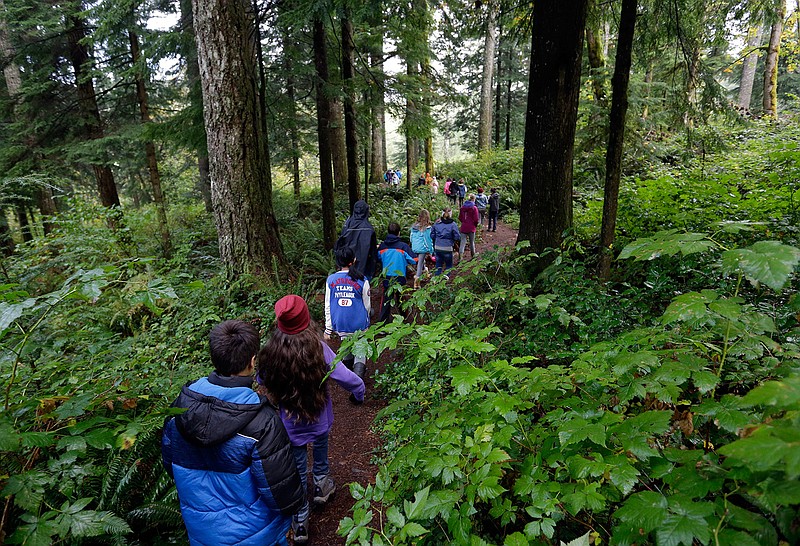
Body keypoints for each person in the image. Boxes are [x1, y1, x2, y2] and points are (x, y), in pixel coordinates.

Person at [162, 320, 304, 546]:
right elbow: (283, 496)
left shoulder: (179, 411)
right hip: (257, 534)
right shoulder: (262, 423)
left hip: (201, 532)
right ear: (252, 362)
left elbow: (171, 466)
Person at [258, 295, 365, 545]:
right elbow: (345, 376)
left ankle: (301, 520)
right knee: (320, 452)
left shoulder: (272, 352)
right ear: (307, 319)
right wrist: (359, 391)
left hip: (290, 425)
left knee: (295, 468)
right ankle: (321, 485)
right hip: (318, 420)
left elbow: (262, 379)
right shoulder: (319, 348)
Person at [324, 246, 371, 379]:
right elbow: (367, 306)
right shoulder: (362, 280)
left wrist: (328, 328)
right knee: (360, 348)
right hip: (358, 323)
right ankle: (358, 377)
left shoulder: (331, 280)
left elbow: (328, 304)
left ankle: (348, 373)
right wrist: (367, 322)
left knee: (346, 342)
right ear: (353, 260)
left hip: (341, 323)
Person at [377, 222, 417, 323]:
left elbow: (377, 257)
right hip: (400, 276)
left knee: (386, 299)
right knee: (401, 298)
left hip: (387, 276)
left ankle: (383, 323)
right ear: (399, 233)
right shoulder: (403, 246)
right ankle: (404, 320)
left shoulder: (382, 246)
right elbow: (414, 259)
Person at [340, 200, 379, 280]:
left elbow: (341, 244)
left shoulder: (347, 225)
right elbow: (373, 250)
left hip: (348, 264)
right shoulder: (368, 228)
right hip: (364, 265)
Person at [431, 208, 460, 276]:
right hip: (448, 247)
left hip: (438, 246)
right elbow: (457, 237)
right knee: (448, 265)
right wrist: (452, 239)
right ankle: (446, 278)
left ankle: (436, 280)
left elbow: (432, 235)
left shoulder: (437, 223)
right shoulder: (453, 224)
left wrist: (438, 239)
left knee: (438, 265)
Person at [410, 209, 434, 289]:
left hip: (415, 247)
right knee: (420, 263)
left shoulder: (414, 226)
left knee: (421, 261)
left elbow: (411, 238)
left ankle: (425, 272)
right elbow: (428, 240)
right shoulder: (427, 228)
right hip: (422, 248)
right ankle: (417, 282)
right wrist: (431, 250)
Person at [459, 194, 480, 259]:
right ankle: (473, 255)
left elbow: (460, 217)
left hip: (464, 226)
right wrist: (475, 225)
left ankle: (461, 256)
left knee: (462, 242)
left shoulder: (463, 207)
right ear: (473, 199)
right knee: (472, 242)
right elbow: (476, 218)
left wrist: (464, 222)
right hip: (471, 227)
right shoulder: (474, 208)